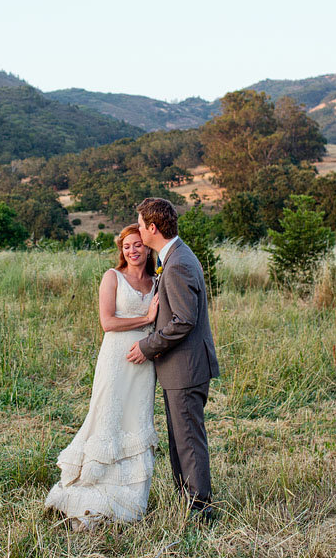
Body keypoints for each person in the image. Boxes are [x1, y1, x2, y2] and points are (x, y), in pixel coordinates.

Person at [45, 224, 161, 530]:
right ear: (121, 251)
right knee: (107, 419)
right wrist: (147, 318)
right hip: (115, 358)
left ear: (148, 248)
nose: (133, 251)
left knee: (136, 420)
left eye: (138, 245)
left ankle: (130, 499)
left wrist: (152, 343)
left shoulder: (157, 281)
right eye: (127, 247)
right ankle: (88, 495)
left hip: (143, 362)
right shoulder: (113, 277)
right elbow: (108, 322)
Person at [126, 197, 220, 521]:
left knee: (189, 440)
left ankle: (200, 511)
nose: (138, 230)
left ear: (153, 228)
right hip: (179, 368)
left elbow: (183, 320)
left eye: (140, 224)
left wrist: (147, 347)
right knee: (181, 437)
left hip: (186, 368)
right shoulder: (174, 256)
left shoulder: (178, 262)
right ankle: (186, 502)